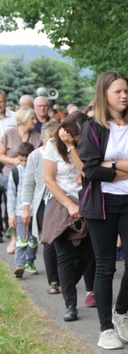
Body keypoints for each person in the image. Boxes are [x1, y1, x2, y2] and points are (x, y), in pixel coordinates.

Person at [78, 71, 128, 350]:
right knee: (105, 266)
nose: (124, 96)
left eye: (126, 90)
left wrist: (111, 165)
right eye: (117, 92)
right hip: (101, 204)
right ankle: (105, 329)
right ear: (105, 95)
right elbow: (90, 169)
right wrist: (126, 167)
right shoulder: (93, 127)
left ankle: (120, 312)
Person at [43, 115, 96, 322]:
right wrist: (69, 204)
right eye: (75, 135)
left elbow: (86, 171)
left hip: (86, 201)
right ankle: (70, 304)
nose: (78, 138)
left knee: (88, 253)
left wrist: (72, 147)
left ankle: (68, 285)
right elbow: (49, 179)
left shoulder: (85, 144)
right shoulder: (51, 146)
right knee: (64, 255)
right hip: (60, 202)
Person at [23, 121, 62, 294]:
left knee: (62, 241)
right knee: (48, 241)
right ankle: (53, 280)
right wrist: (26, 207)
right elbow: (28, 183)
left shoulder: (64, 155)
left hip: (61, 202)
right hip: (43, 203)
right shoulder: (35, 156)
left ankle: (65, 275)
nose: (52, 143)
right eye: (49, 140)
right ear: (43, 139)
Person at [0, 106, 43, 254]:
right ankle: (14, 238)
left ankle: (28, 237)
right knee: (11, 206)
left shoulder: (37, 137)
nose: (35, 121)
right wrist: (15, 162)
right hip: (11, 175)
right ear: (24, 119)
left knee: (28, 207)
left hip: (31, 178)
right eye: (32, 118)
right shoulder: (9, 134)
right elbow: (0, 154)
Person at [8, 142, 38, 277]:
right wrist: (11, 215)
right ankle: (19, 264)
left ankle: (29, 262)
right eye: (21, 160)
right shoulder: (15, 172)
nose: (24, 163)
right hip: (21, 212)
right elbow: (11, 195)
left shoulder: (37, 170)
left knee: (33, 240)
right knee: (21, 239)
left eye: (27, 160)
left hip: (35, 211)